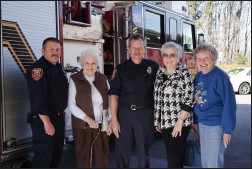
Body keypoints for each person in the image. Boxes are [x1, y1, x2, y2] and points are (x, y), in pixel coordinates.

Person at [109, 33, 159, 168]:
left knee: (144, 154)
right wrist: (114, 120)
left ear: (144, 49)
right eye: (134, 48)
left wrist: (159, 118)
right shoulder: (120, 69)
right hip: (125, 114)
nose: (137, 51)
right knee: (122, 153)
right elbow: (114, 95)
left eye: (140, 48)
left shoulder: (153, 68)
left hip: (145, 114)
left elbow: (160, 93)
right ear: (128, 49)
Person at [26, 37, 68, 167]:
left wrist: (62, 122)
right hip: (45, 120)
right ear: (43, 51)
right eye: (51, 49)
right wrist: (47, 122)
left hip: (58, 119)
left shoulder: (58, 68)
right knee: (43, 159)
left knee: (56, 157)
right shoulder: (38, 69)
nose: (55, 52)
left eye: (57, 49)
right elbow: (38, 98)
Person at [192, 43, 236, 168]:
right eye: (199, 58)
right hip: (203, 124)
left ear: (213, 59)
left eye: (206, 58)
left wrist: (227, 130)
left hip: (216, 125)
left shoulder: (220, 76)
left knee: (213, 162)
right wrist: (195, 120)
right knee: (205, 160)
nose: (203, 62)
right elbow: (196, 99)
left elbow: (229, 104)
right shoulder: (199, 75)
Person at [68, 49, 112, 168]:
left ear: (96, 65)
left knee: (102, 158)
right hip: (82, 126)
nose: (90, 66)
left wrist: (110, 121)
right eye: (87, 63)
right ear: (82, 64)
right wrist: (88, 119)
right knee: (84, 159)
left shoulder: (103, 78)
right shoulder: (74, 79)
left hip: (101, 126)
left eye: (93, 63)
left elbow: (110, 100)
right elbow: (71, 105)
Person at [153, 42, 195, 168]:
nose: (168, 58)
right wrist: (158, 120)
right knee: (176, 157)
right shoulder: (160, 73)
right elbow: (157, 98)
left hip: (181, 123)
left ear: (178, 57)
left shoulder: (184, 73)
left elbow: (189, 99)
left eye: (172, 55)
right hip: (165, 122)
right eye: (165, 55)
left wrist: (179, 122)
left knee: (172, 158)